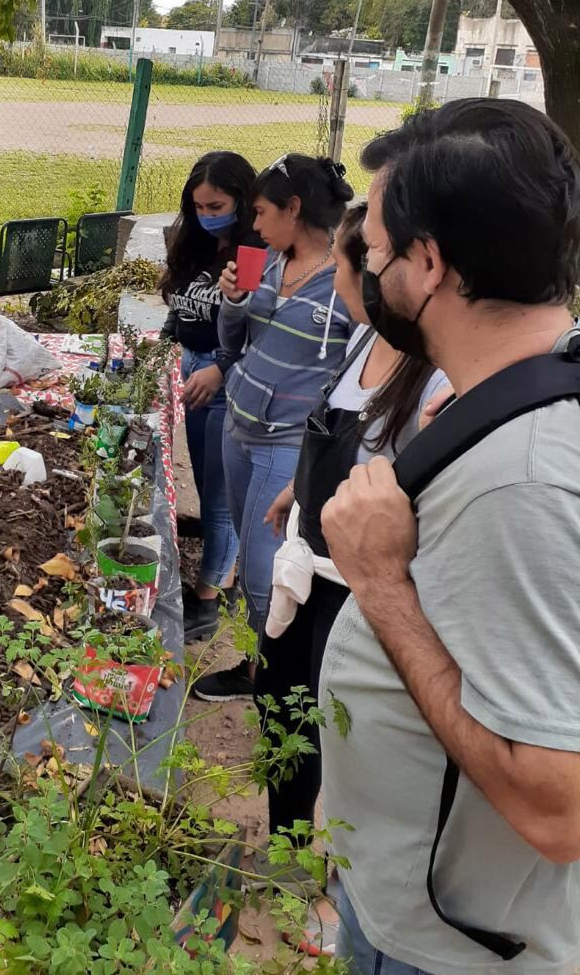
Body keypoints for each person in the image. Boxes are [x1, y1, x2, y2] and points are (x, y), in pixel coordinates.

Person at [319, 99, 580, 975]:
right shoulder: (527, 387)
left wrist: (380, 582)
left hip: (446, 947)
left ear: (429, 264)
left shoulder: (524, 479)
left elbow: (559, 810)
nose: (370, 270)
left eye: (379, 251)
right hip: (413, 903)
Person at [256, 200, 448, 956]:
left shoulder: (434, 381)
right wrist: (296, 491)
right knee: (284, 715)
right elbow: (333, 444)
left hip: (355, 594)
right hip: (307, 568)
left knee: (338, 741)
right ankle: (289, 859)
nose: (345, 277)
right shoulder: (366, 339)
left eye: (356, 262)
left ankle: (334, 897)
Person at [192, 154, 354, 703]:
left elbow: (357, 372)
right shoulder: (264, 262)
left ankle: (276, 682)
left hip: (283, 447)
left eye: (261, 212)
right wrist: (234, 301)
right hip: (236, 429)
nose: (253, 225)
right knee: (250, 554)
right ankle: (263, 666)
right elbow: (234, 346)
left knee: (266, 570)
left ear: (294, 207)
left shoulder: (345, 286)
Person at [161, 151, 260, 642]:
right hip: (193, 366)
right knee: (204, 478)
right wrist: (163, 346)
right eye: (198, 206)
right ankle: (224, 571)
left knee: (219, 495)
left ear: (242, 201)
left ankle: (208, 599)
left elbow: (256, 331)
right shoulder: (197, 244)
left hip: (226, 378)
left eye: (216, 205)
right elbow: (178, 309)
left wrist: (220, 369)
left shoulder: (253, 254)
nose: (206, 215)